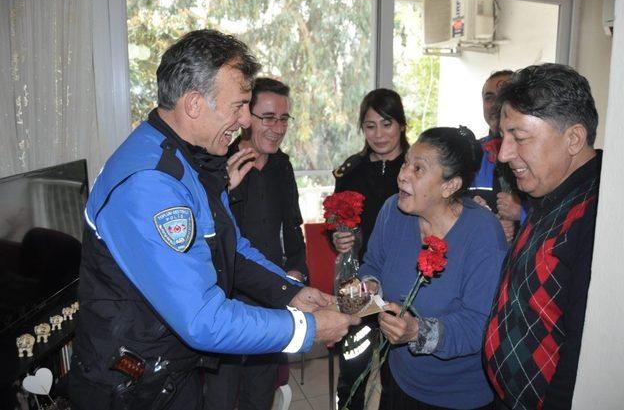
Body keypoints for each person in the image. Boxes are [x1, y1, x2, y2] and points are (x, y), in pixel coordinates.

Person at [68, 29, 358, 410]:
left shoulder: (196, 161)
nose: (243, 120)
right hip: (131, 388)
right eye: (238, 106)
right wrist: (310, 329)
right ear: (193, 104)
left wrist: (291, 293)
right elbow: (203, 318)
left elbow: (231, 247)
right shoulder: (151, 183)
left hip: (171, 371)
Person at [359, 127, 508, 409]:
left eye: (418, 169)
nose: (403, 174)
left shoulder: (483, 235)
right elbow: (373, 264)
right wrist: (369, 289)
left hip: (458, 396)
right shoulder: (393, 210)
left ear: (449, 186)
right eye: (406, 163)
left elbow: (479, 325)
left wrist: (417, 332)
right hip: (401, 379)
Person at [483, 63, 602, 409]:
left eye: (519, 138)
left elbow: (582, 353)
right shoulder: (548, 190)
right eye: (503, 137)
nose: (504, 154)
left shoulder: (596, 216)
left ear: (574, 139)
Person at [204, 77, 307, 410]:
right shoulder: (218, 163)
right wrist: (225, 191)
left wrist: (296, 271)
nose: (277, 128)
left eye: (283, 118)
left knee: (260, 395)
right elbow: (208, 238)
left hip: (272, 298)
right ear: (246, 116)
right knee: (219, 396)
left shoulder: (282, 166)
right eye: (268, 118)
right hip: (227, 301)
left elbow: (293, 227)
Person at [331, 88, 410, 410]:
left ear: (401, 125)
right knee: (353, 364)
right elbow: (338, 229)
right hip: (358, 284)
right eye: (370, 125)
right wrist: (339, 239)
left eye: (386, 123)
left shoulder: (417, 169)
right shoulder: (351, 172)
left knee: (397, 371)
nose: (379, 134)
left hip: (404, 282)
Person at [469, 69, 524, 242]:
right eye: (489, 97)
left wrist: (520, 212)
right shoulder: (471, 153)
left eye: (502, 96)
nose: (495, 105)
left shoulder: (536, 153)